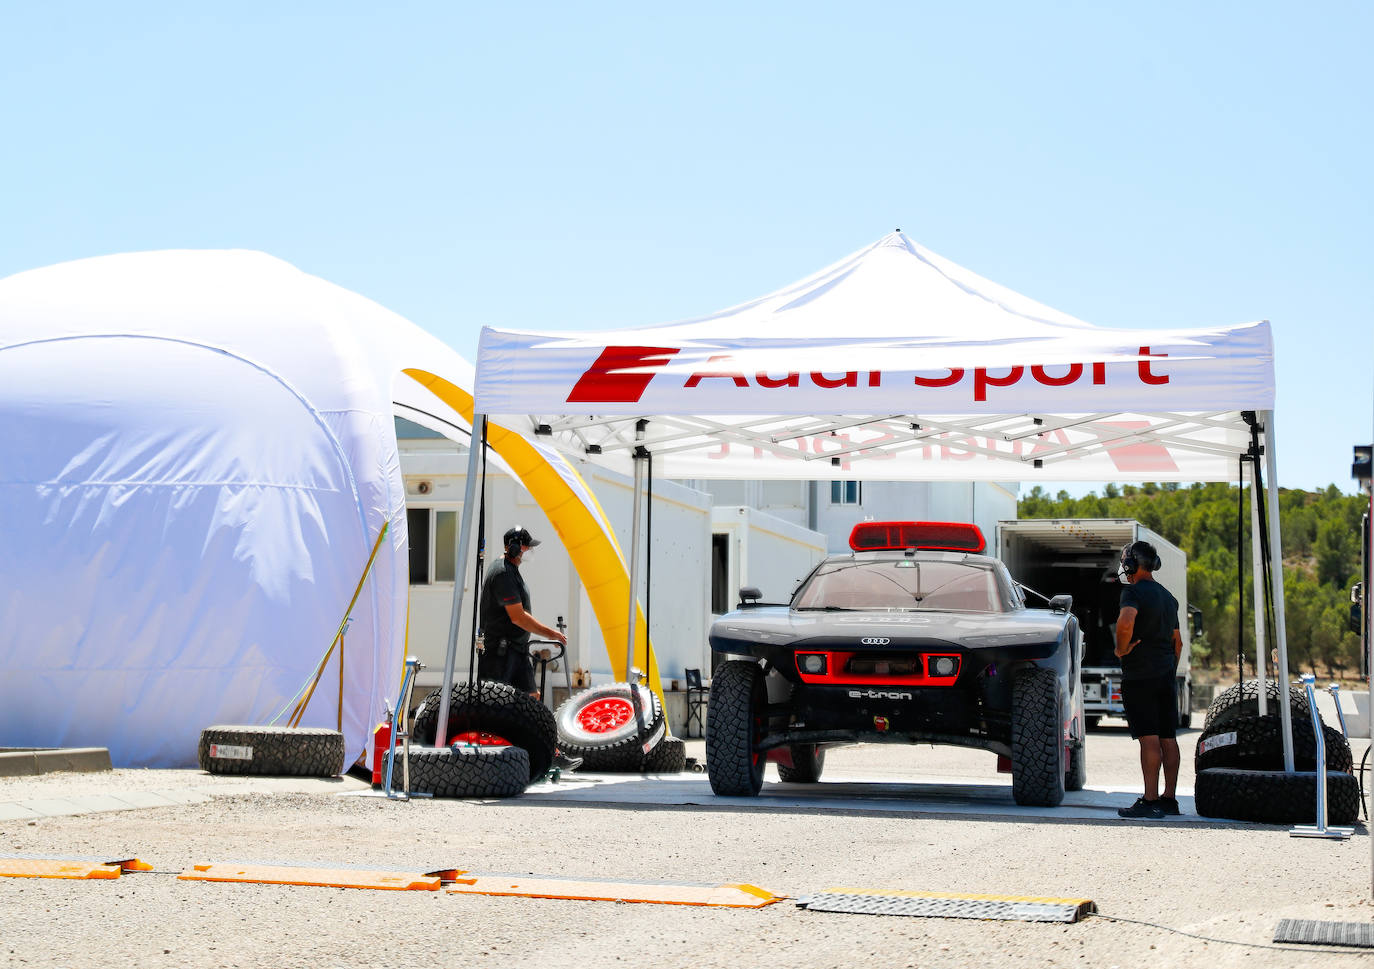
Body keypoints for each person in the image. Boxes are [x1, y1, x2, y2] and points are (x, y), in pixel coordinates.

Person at [1114, 539, 1183, 819]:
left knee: (1149, 739)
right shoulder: (1168, 597)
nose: (1123, 565)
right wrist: (1168, 669)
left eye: (1124, 560)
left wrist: (1121, 649)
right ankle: (1169, 799)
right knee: (1168, 738)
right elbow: (1178, 643)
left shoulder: (1132, 592)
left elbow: (1126, 622)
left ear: (1132, 564)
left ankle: (1150, 800)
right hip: (1166, 676)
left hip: (1140, 675)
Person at [478, 525, 568, 696]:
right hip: (501, 654)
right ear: (514, 547)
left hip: (516, 650)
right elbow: (518, 617)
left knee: (532, 698)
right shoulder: (503, 573)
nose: (529, 551)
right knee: (498, 703)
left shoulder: (511, 571)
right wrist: (551, 634)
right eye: (526, 547)